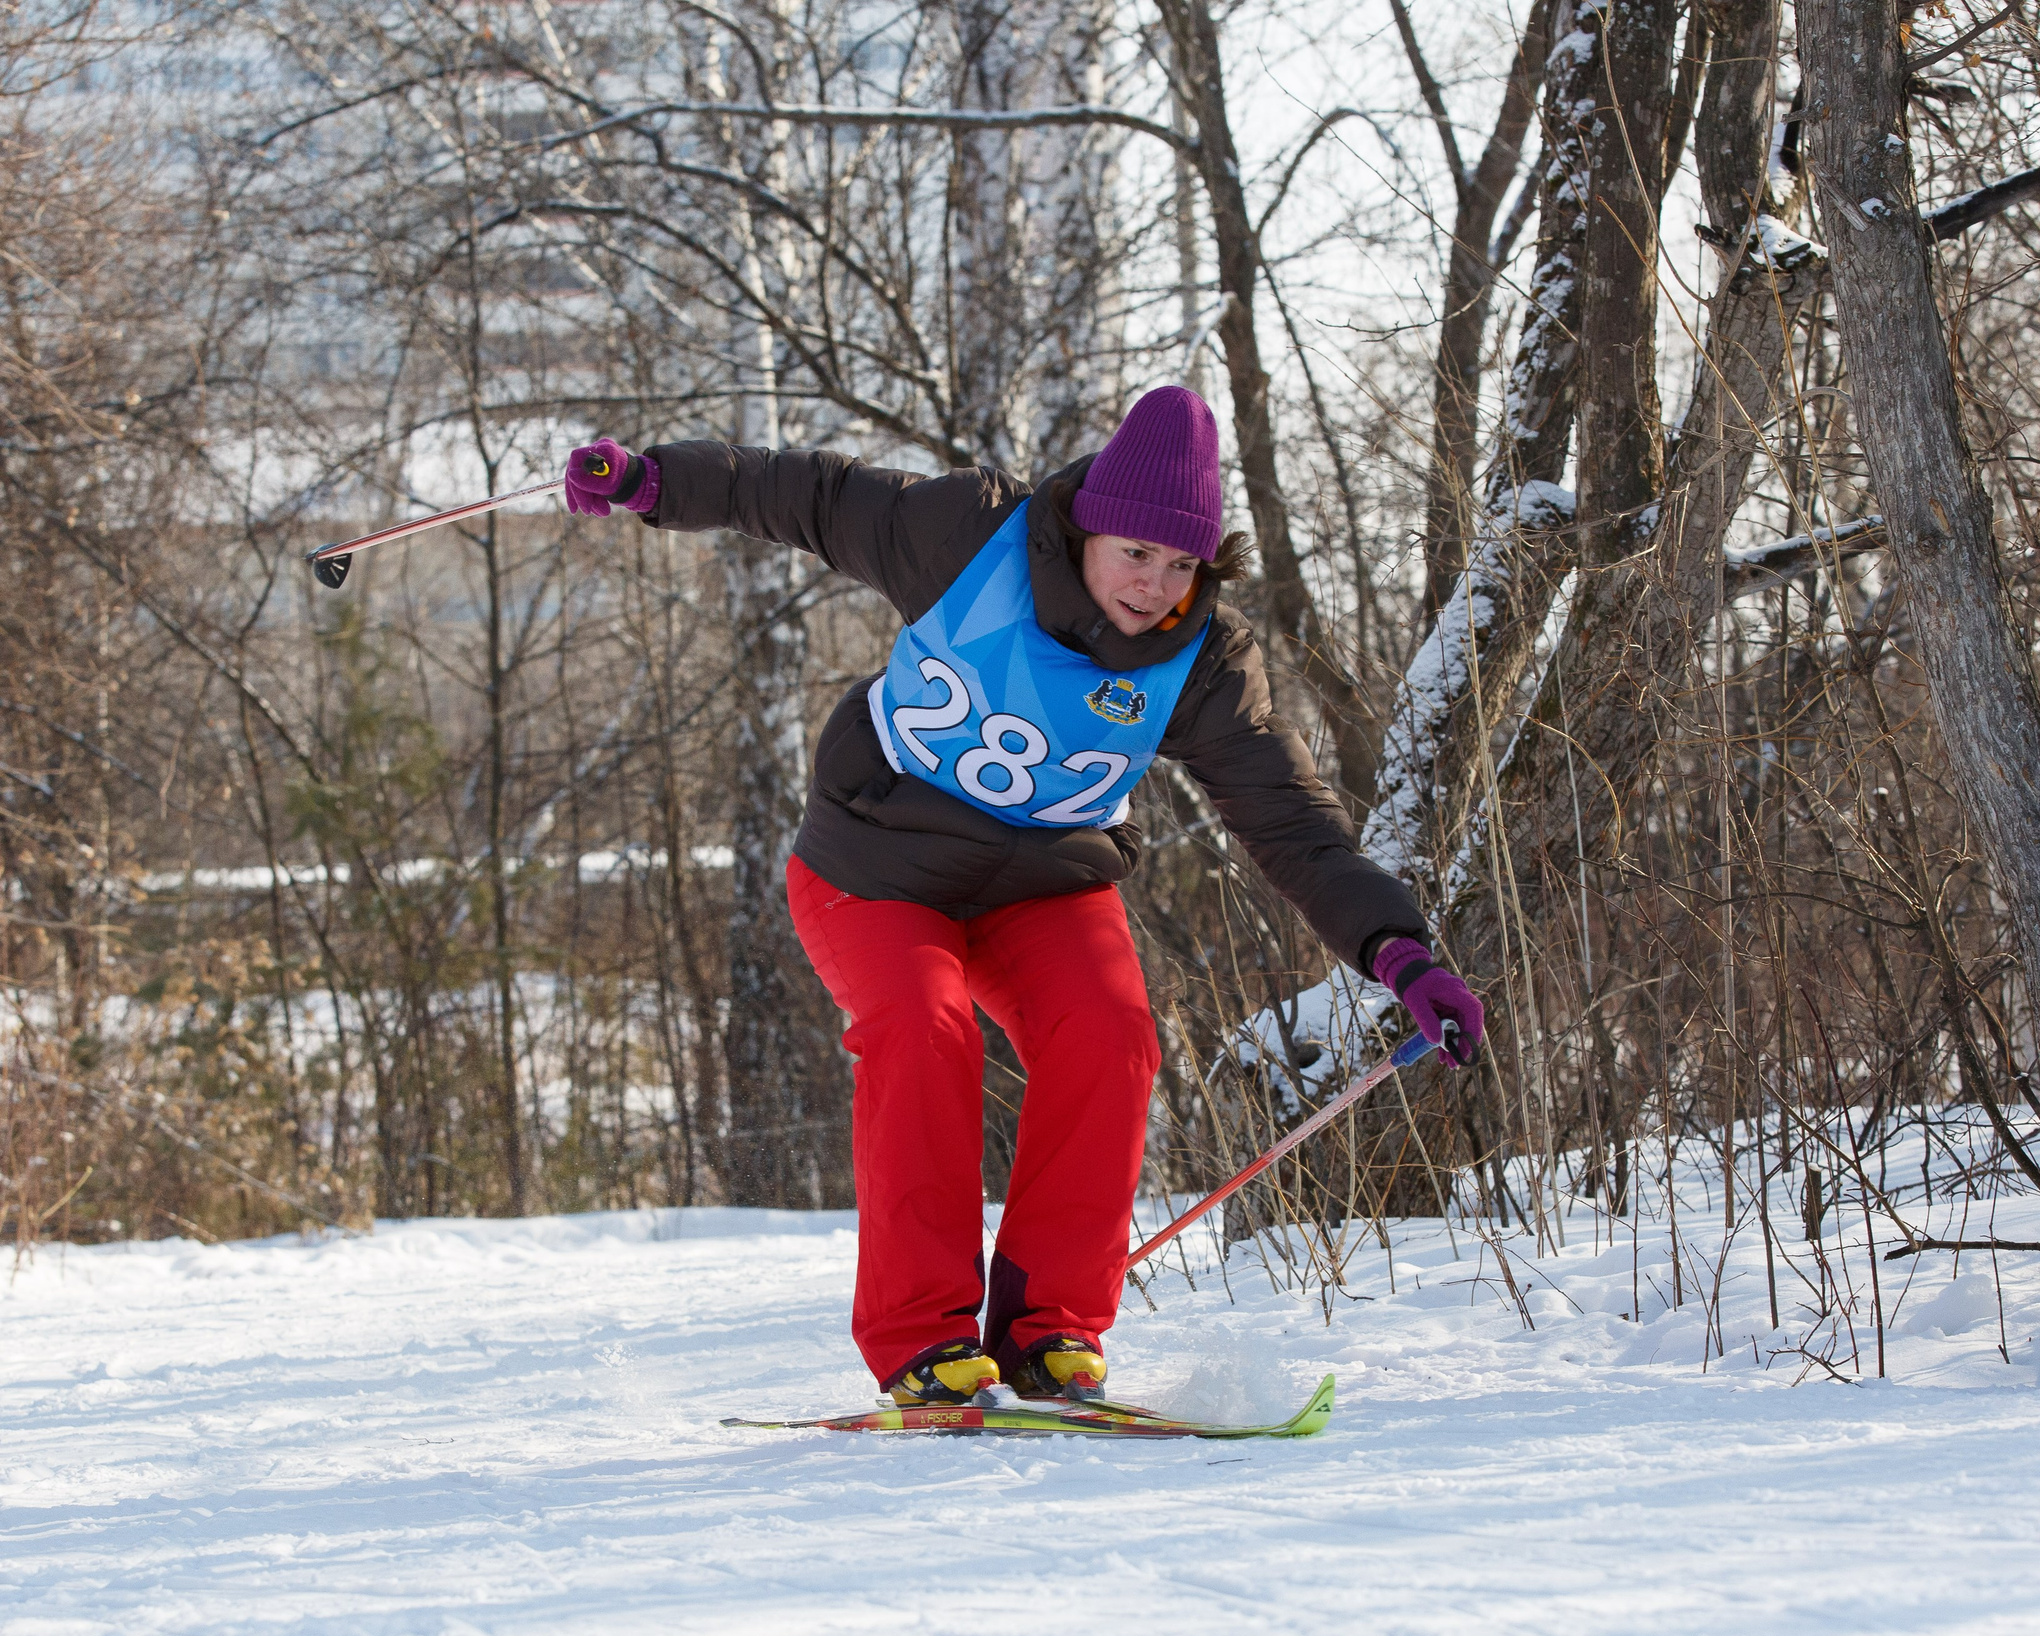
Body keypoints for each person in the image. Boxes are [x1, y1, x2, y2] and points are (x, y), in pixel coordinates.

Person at [564, 387, 1486, 1407]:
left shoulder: (1203, 660)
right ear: (1088, 520)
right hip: (873, 869)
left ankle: (1050, 1329)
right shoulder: (967, 536)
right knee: (923, 1027)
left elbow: (1290, 820)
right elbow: (809, 496)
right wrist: (652, 482)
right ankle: (925, 1341)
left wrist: (1397, 949)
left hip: (1042, 886)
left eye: (1183, 565)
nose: (1155, 585)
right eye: (1137, 552)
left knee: (1113, 1031)